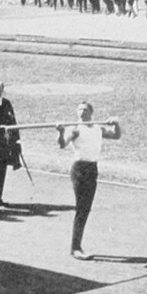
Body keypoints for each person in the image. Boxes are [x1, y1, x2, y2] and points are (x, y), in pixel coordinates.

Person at [56, 102, 121, 260]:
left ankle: (76, 246)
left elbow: (116, 135)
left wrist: (116, 124)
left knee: (85, 209)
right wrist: (60, 131)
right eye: (79, 110)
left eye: (85, 110)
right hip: (79, 169)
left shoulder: (98, 128)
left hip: (92, 169)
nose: (82, 112)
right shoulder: (76, 129)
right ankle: (75, 248)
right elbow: (62, 144)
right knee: (82, 208)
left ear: (91, 112)